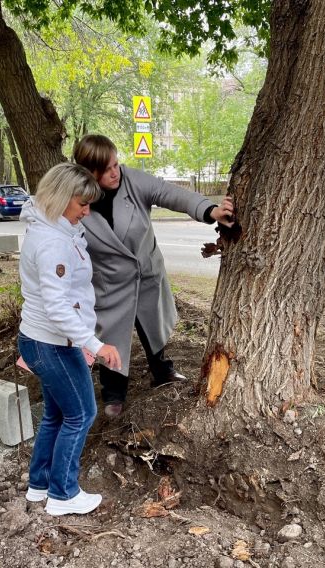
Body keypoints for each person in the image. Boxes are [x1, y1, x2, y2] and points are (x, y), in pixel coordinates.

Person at [72, 134, 234, 417]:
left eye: (116, 164)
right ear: (90, 173)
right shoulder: (75, 199)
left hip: (145, 273)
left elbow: (171, 194)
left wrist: (210, 210)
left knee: (154, 329)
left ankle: (162, 371)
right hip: (109, 283)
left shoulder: (132, 181)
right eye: (107, 169)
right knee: (111, 337)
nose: (115, 172)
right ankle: (113, 393)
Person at [17, 162, 122, 516]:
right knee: (81, 414)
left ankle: (40, 484)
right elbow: (57, 307)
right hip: (53, 344)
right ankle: (63, 494)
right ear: (62, 199)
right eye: (82, 204)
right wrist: (95, 344)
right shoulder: (52, 243)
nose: (86, 211)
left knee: (56, 415)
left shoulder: (50, 228)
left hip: (40, 340)